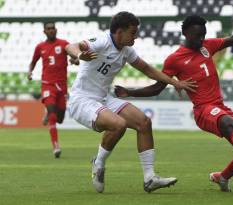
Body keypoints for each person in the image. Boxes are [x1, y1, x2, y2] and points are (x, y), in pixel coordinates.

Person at [114, 15, 233, 192]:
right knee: (229, 124)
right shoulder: (174, 59)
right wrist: (130, 92)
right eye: (197, 35)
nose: (201, 39)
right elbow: (157, 88)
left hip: (220, 107)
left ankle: (222, 177)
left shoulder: (207, 46)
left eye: (203, 35)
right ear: (185, 33)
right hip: (203, 110)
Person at [64, 12, 197, 193]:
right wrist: (79, 55)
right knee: (119, 124)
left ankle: (150, 178)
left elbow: (148, 69)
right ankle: (99, 163)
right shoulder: (102, 41)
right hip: (82, 99)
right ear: (119, 32)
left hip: (103, 97)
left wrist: (176, 83)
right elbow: (70, 46)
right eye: (133, 32)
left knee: (143, 122)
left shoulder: (127, 51)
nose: (136, 36)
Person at [28, 22, 79, 158]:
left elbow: (75, 58)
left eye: (53, 28)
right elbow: (33, 61)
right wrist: (30, 72)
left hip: (61, 86)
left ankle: (49, 113)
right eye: (48, 29)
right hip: (47, 84)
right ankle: (56, 146)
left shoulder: (63, 44)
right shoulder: (40, 47)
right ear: (44, 32)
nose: (51, 30)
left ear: (56, 30)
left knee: (60, 118)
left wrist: (75, 60)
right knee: (52, 114)